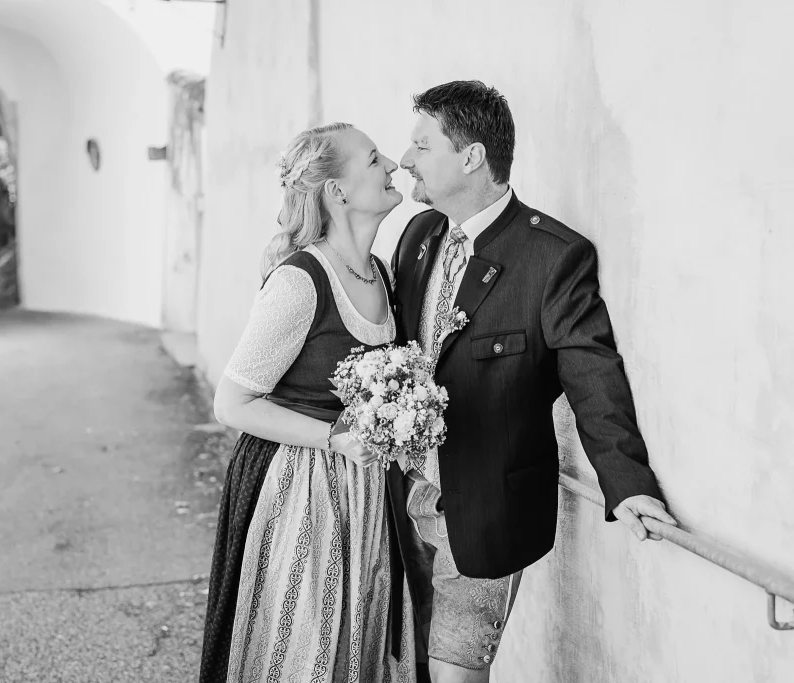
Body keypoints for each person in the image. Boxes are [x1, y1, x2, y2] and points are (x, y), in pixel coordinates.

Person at [387, 80, 678, 683]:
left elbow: (591, 372)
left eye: (422, 145)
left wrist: (626, 483)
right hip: (401, 504)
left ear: (471, 158)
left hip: (484, 511)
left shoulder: (552, 256)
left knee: (455, 675)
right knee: (403, 664)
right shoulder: (417, 238)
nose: (405, 160)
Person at [199, 122, 417, 683]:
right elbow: (232, 402)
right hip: (302, 489)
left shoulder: (382, 275)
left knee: (357, 649)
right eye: (374, 159)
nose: (392, 164)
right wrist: (333, 437)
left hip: (366, 493)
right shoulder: (301, 282)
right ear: (337, 191)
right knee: (306, 652)